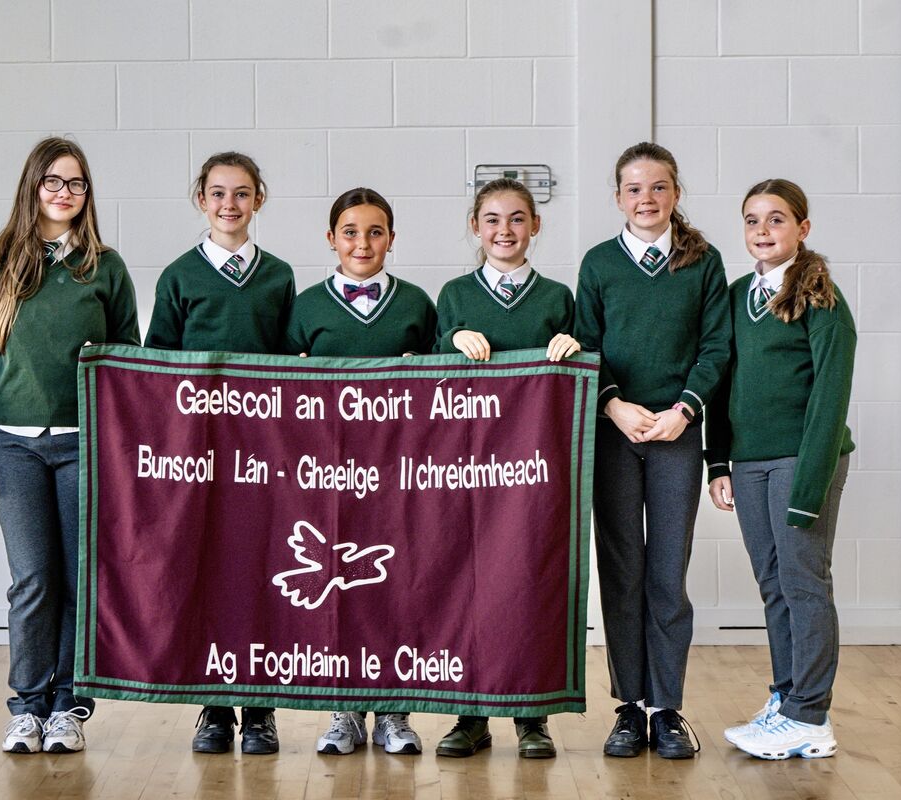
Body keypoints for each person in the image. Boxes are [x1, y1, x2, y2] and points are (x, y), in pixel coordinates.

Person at [0, 137, 139, 755]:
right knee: (32, 579)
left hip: (85, 445)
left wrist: (120, 447)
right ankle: (28, 705)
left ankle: (68, 706)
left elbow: (128, 363)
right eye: (53, 181)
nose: (65, 193)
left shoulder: (105, 268)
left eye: (77, 183)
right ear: (32, 185)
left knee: (77, 579)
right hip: (14, 447)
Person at [573, 142, 730, 759]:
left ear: (676, 194)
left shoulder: (704, 262)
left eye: (659, 187)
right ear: (618, 198)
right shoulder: (598, 264)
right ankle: (629, 706)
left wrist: (683, 410)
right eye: (635, 189)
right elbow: (586, 344)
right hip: (614, 435)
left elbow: (715, 347)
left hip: (675, 435)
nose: (647, 198)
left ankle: (666, 708)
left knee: (667, 571)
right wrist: (613, 405)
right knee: (621, 571)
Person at [144, 151, 295, 755]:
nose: (229, 204)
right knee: (208, 569)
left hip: (262, 452)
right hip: (200, 452)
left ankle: (259, 708)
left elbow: (292, 366)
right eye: (218, 193)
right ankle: (213, 705)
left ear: (259, 199)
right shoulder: (179, 276)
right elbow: (157, 367)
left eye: (241, 193)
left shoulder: (279, 276)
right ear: (201, 200)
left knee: (260, 570)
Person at [706, 179, 855, 760]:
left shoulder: (822, 299)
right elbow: (721, 383)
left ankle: (810, 717)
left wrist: (809, 487)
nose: (762, 231)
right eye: (752, 220)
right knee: (772, 585)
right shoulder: (736, 295)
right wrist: (718, 461)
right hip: (750, 463)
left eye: (776, 219)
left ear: (802, 228)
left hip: (802, 460)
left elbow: (830, 401)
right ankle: (787, 698)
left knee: (803, 582)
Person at [285, 187, 437, 756]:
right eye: (350, 232)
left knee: (396, 585)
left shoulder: (417, 304)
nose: (363, 243)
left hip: (399, 474)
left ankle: (394, 712)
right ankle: (343, 710)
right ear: (331, 239)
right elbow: (278, 395)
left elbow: (446, 391)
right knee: (337, 588)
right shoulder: (306, 306)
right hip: (328, 476)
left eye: (375, 232)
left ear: (392, 239)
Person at [432, 177, 578, 759]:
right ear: (475, 226)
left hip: (532, 473)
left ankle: (530, 716)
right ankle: (469, 716)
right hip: (466, 470)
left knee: (527, 583)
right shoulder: (454, 295)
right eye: (492, 219)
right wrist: (451, 338)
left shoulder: (557, 298)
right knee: (466, 585)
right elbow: (427, 381)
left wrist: (573, 350)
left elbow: (574, 382)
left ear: (535, 226)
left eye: (517, 218)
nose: (504, 230)